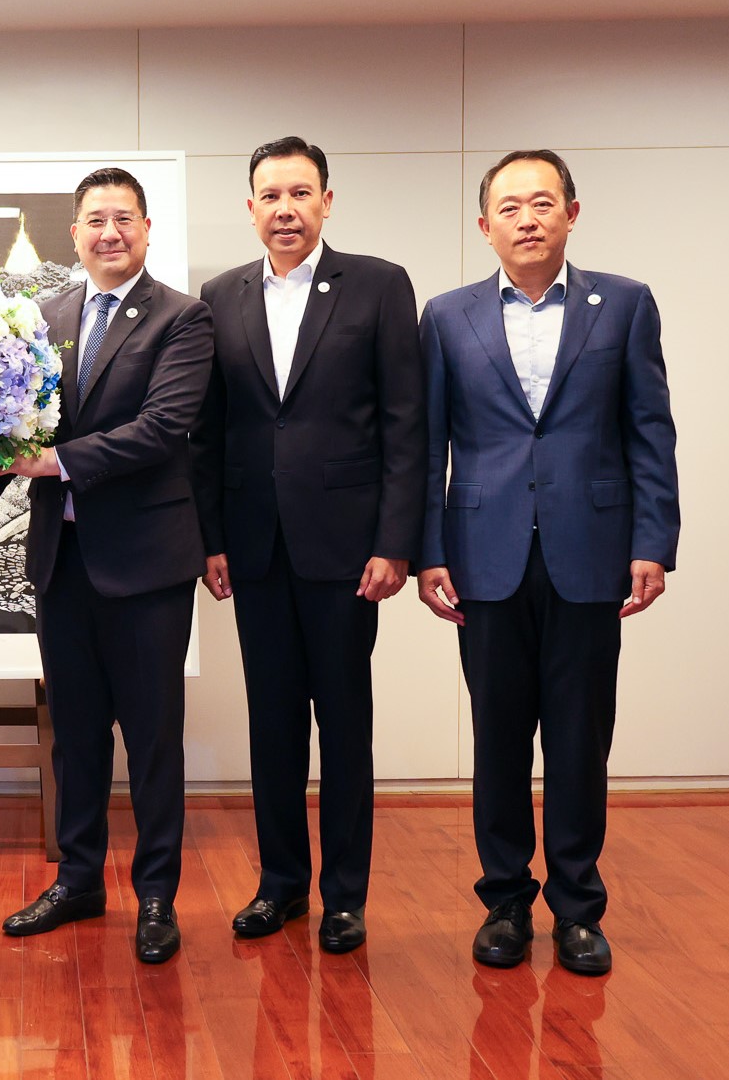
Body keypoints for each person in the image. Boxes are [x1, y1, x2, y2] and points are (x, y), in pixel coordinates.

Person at [418, 150, 679, 976]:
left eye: (542, 203)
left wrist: (653, 541)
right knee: (497, 738)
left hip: (590, 552)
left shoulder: (624, 304)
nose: (527, 219)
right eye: (510, 206)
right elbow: (428, 445)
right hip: (482, 553)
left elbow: (650, 430)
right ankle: (503, 902)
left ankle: (577, 909)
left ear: (572, 212)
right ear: (484, 225)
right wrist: (428, 551)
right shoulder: (447, 316)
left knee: (578, 738)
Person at [191, 137, 426, 954]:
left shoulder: (379, 285)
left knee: (345, 724)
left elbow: (406, 424)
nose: (285, 209)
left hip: (347, 550)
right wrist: (211, 538)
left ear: (327, 201)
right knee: (274, 723)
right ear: (250, 207)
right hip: (254, 546)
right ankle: (281, 884)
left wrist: (396, 540)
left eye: (300, 193)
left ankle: (345, 897)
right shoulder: (219, 296)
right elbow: (208, 431)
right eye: (270, 195)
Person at [0, 167, 213, 964]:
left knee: (153, 738)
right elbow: (13, 417)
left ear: (147, 229)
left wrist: (53, 461)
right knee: (76, 734)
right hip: (63, 559)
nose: (110, 232)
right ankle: (78, 878)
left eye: (125, 218)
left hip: (148, 563)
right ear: (75, 234)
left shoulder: (183, 318)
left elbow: (163, 427)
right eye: (95, 219)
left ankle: (156, 894)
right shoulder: (42, 316)